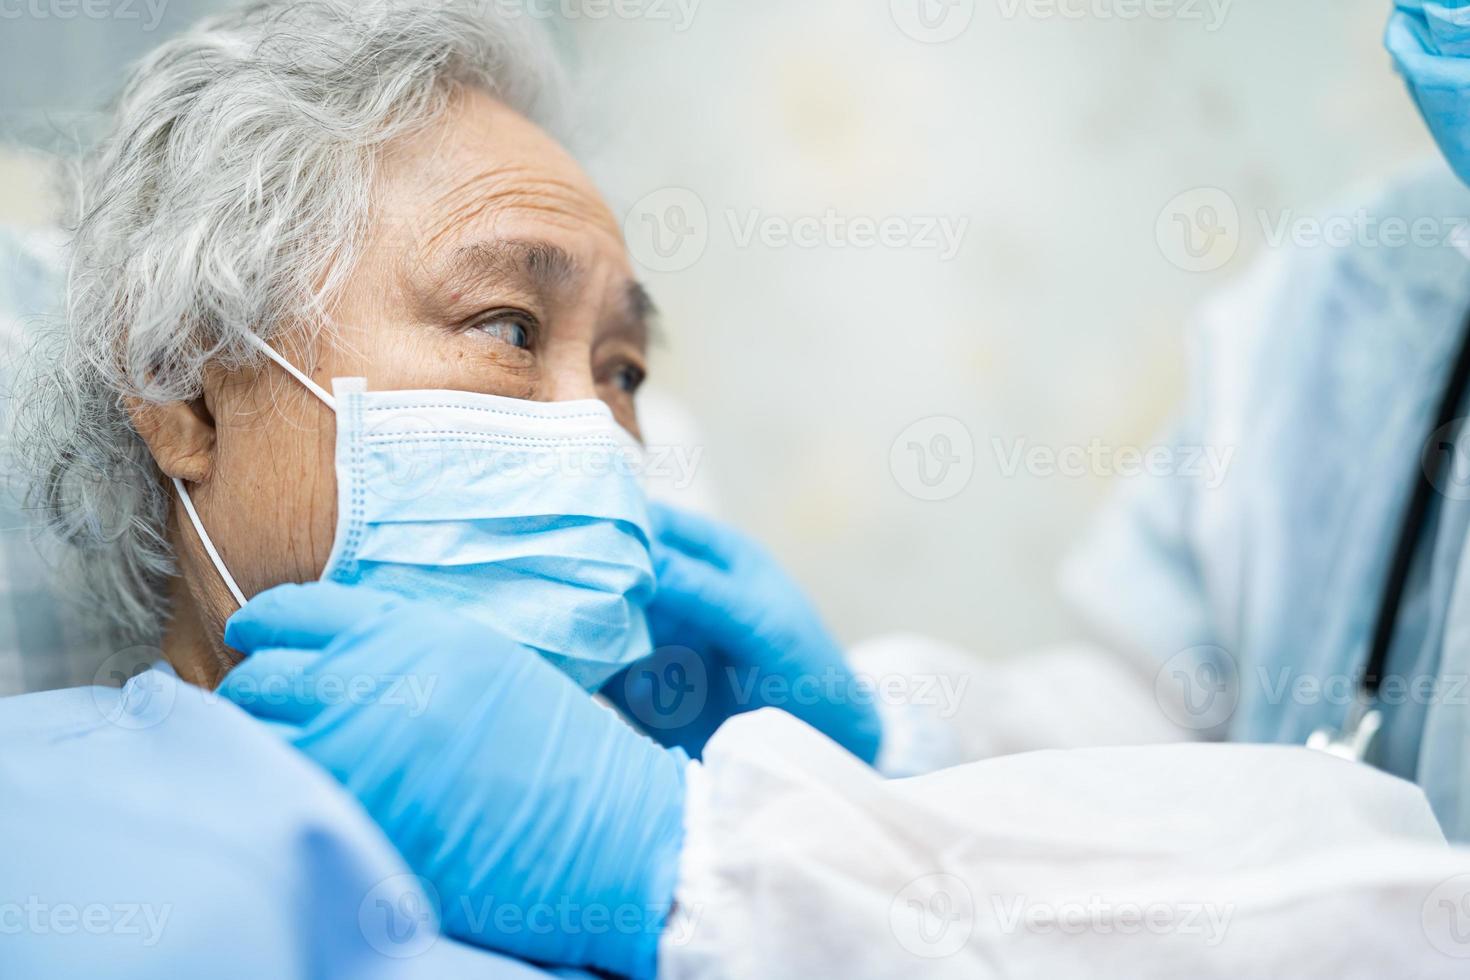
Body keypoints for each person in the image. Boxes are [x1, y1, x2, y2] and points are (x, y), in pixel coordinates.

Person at [5, 2, 1470, 978]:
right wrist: (866, 758)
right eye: (510, 326)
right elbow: (1171, 724)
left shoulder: (699, 857)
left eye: (629, 370)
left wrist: (699, 841)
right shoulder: (88, 853)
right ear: (189, 389)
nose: (598, 434)